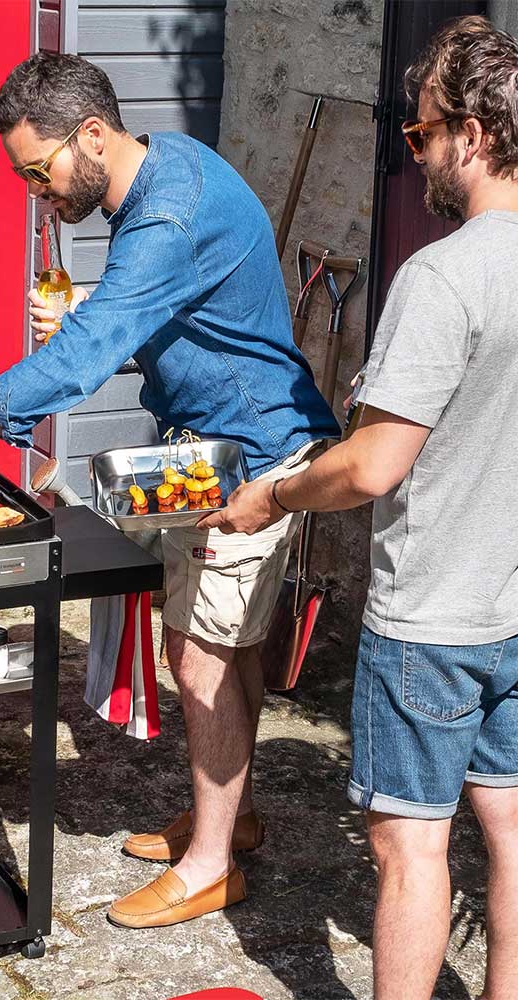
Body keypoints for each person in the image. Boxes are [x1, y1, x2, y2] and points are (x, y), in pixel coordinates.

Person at [0, 51, 338, 928]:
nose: (38, 193)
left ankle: (212, 866)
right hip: (210, 449)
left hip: (256, 459)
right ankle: (235, 817)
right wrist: (93, 319)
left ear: (92, 134)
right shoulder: (165, 164)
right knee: (233, 641)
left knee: (203, 655)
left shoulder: (167, 213)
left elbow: (78, 361)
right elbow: (171, 312)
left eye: (41, 170)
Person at [201, 15, 518, 999]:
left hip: (431, 617)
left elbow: (375, 464)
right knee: (512, 837)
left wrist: (276, 494)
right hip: (515, 606)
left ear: (469, 135)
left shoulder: (443, 277)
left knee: (410, 848)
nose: (413, 155)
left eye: (420, 135)